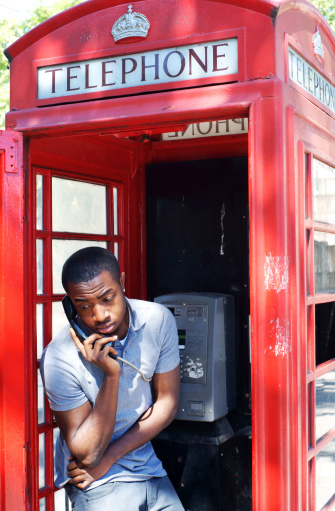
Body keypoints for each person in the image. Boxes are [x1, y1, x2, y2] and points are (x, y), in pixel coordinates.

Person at [40, 246, 184, 511]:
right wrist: (111, 375)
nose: (100, 315)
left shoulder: (157, 320)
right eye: (84, 307)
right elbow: (88, 453)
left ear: (123, 282)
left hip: (148, 468)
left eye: (107, 298)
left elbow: (168, 402)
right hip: (95, 483)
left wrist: (111, 457)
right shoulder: (59, 357)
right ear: (71, 307)